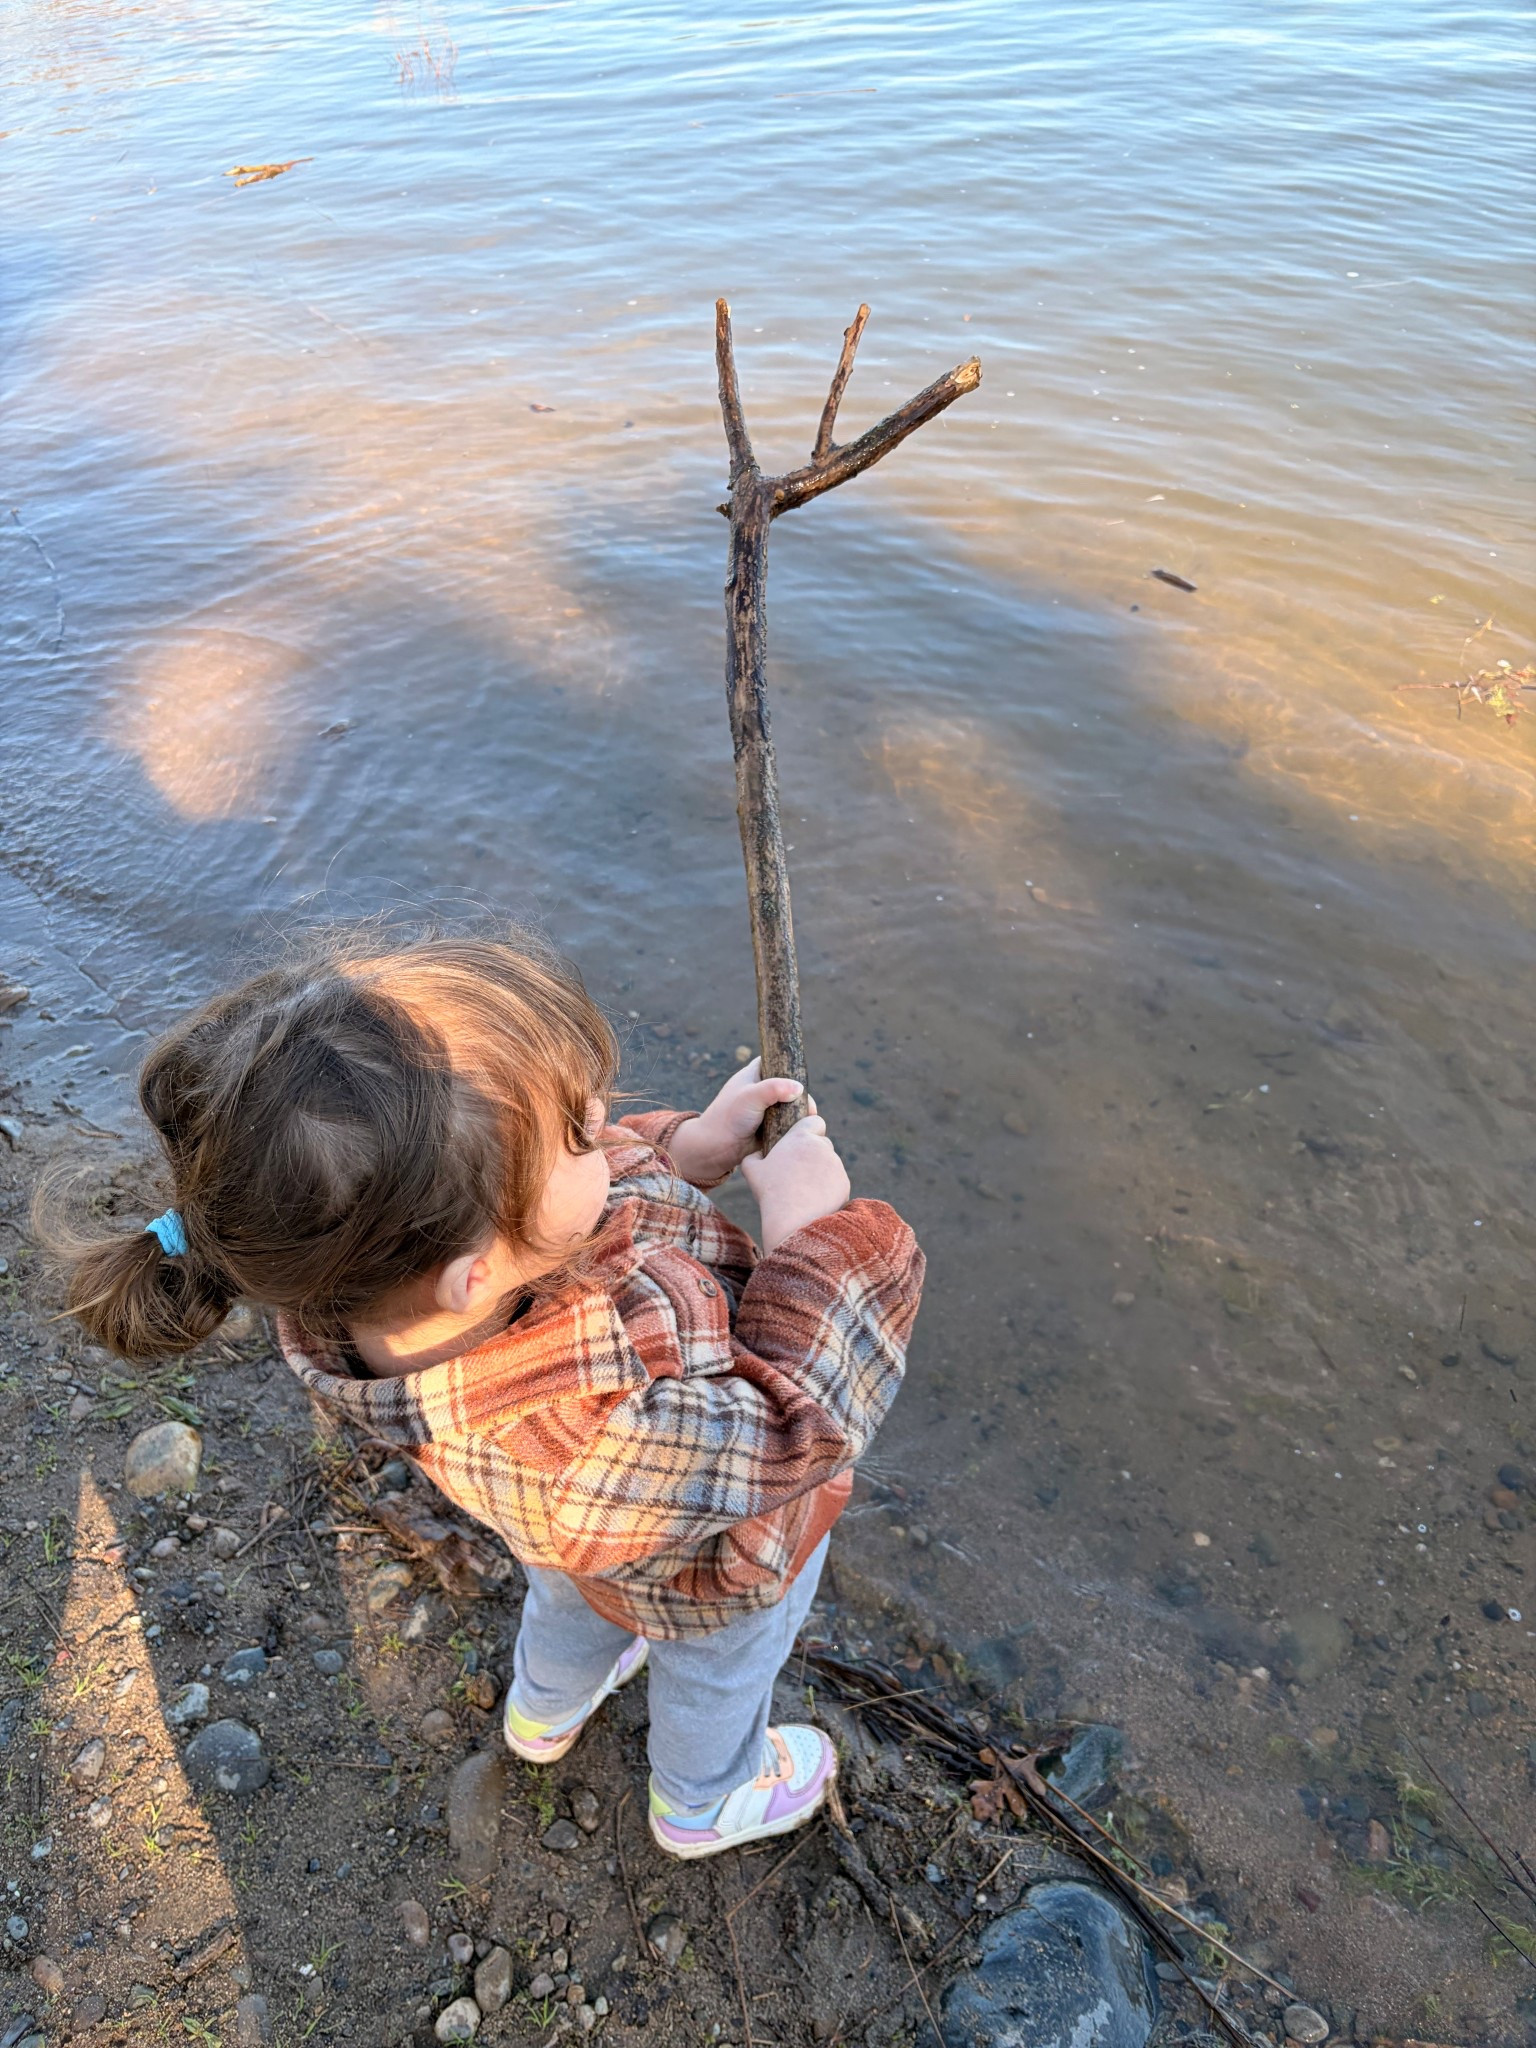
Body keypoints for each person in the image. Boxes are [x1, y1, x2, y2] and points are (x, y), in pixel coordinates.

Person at [51, 928, 923, 1858]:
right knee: (719, 1667)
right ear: (473, 1273)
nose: (605, 1118)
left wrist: (687, 1147)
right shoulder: (586, 1442)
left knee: (571, 1601)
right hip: (710, 1563)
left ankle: (544, 1713)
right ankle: (701, 1799)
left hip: (583, 1553)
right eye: (581, 1130)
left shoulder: (371, 1287)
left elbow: (539, 1183)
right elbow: (796, 1423)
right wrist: (809, 1243)